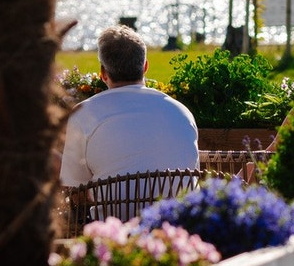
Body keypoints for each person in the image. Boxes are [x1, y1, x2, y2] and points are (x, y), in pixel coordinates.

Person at [59, 25, 199, 188]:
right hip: (176, 212)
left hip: (112, 213)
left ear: (103, 73)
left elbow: (74, 188)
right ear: (145, 66)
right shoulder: (181, 112)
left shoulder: (84, 114)